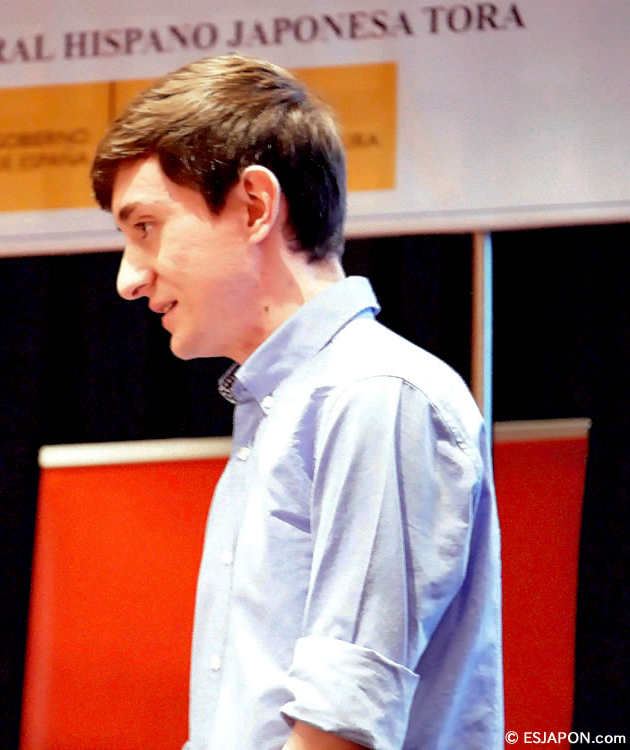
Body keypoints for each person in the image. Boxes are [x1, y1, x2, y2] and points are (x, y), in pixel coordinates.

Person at [90, 54, 503, 750]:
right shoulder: (283, 406)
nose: (129, 279)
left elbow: (341, 727)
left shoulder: (373, 394)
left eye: (146, 228)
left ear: (255, 206)